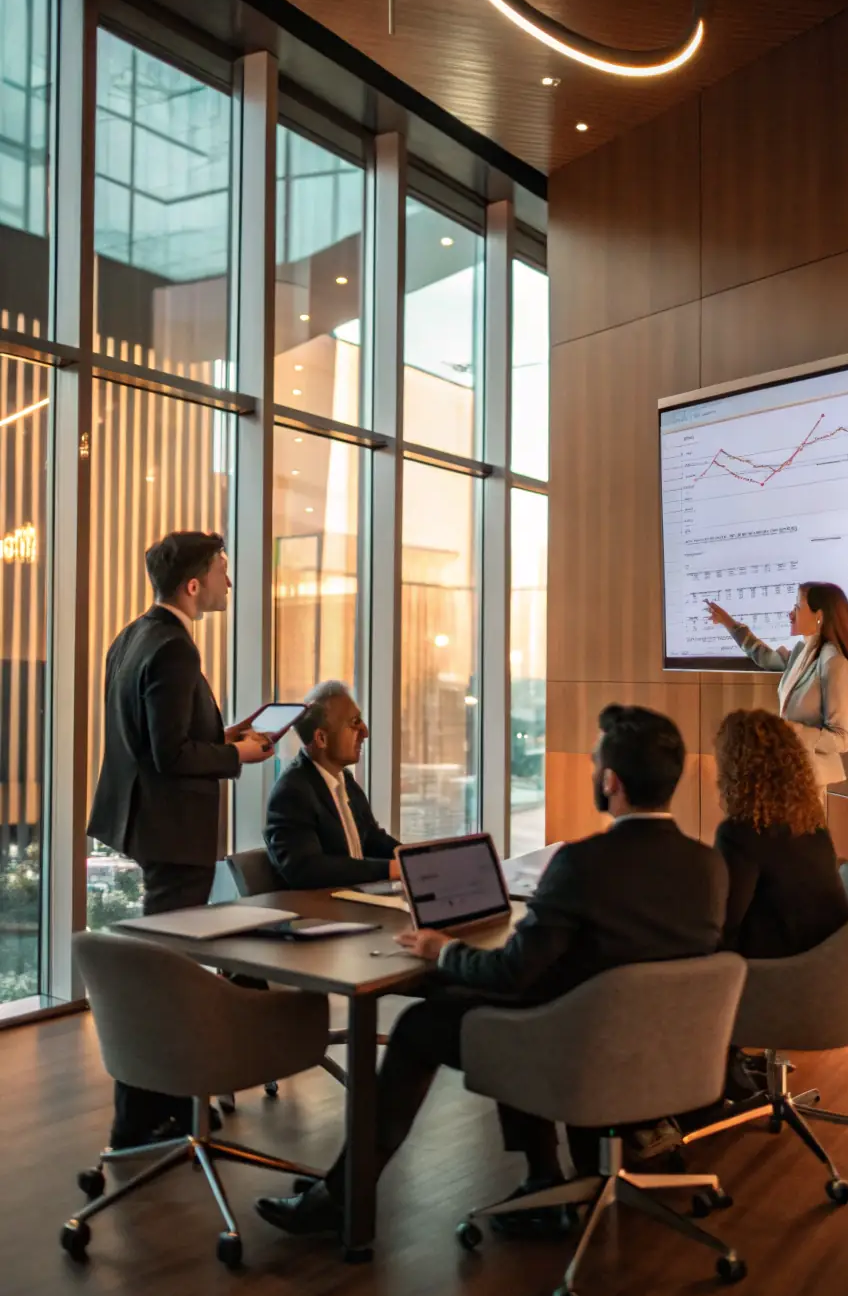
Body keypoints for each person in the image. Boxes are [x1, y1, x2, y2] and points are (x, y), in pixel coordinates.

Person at [254, 704, 728, 1239]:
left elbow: (511, 973)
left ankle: (341, 1199)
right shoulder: (708, 865)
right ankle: (541, 1180)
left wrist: (442, 950)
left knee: (420, 1025)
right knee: (485, 999)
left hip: (579, 1050)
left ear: (611, 781)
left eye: (596, 764)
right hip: (671, 1052)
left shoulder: (581, 864)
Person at [87, 530, 274, 1147]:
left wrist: (230, 735)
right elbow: (170, 754)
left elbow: (154, 736)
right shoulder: (175, 649)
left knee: (162, 968)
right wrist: (238, 756)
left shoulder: (133, 636)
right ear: (193, 585)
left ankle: (154, 1111)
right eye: (223, 571)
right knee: (166, 975)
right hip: (175, 834)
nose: (228, 581)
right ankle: (144, 1118)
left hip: (147, 825)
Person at [713, 709, 848, 960]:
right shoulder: (812, 822)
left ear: (734, 769)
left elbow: (723, 923)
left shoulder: (740, 834)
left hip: (775, 975)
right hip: (829, 967)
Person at [706, 581, 848, 796]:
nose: (790, 614)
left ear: (819, 616)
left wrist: (791, 732)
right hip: (785, 771)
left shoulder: (833, 663)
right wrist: (730, 624)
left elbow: (841, 739)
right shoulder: (802, 651)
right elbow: (764, 656)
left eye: (797, 607)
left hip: (808, 779)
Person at [264, 680, 400, 889]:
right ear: (321, 738)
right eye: (354, 722)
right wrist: (389, 869)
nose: (365, 732)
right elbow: (307, 869)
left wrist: (414, 859)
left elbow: (372, 839)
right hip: (319, 914)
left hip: (355, 902)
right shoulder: (292, 792)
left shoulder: (345, 780)